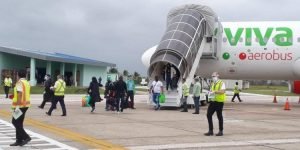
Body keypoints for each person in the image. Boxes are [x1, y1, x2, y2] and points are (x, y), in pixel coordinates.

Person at [10, 70, 31, 146]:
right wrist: (13, 96)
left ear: (18, 75)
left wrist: (17, 106)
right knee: (19, 123)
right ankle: (19, 140)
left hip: (20, 105)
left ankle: (26, 137)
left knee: (14, 122)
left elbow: (20, 94)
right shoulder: (27, 82)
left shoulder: (19, 82)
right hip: (26, 105)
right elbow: (22, 93)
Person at [204, 72, 226, 136]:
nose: (213, 77)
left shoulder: (221, 83)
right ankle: (210, 131)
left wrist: (215, 91)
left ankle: (220, 131)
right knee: (208, 115)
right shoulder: (213, 83)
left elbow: (223, 91)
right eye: (212, 76)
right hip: (212, 102)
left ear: (218, 76)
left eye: (214, 76)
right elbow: (211, 92)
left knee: (219, 116)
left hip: (219, 102)